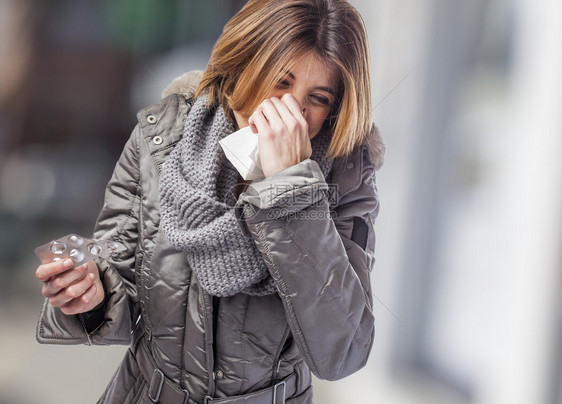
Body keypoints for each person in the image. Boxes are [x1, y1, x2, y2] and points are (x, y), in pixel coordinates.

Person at [34, 0, 385, 402]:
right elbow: (120, 272)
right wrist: (92, 295)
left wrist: (293, 191)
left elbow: (343, 352)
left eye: (318, 98)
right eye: (280, 81)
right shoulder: (161, 140)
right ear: (243, 64)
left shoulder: (345, 177)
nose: (293, 111)